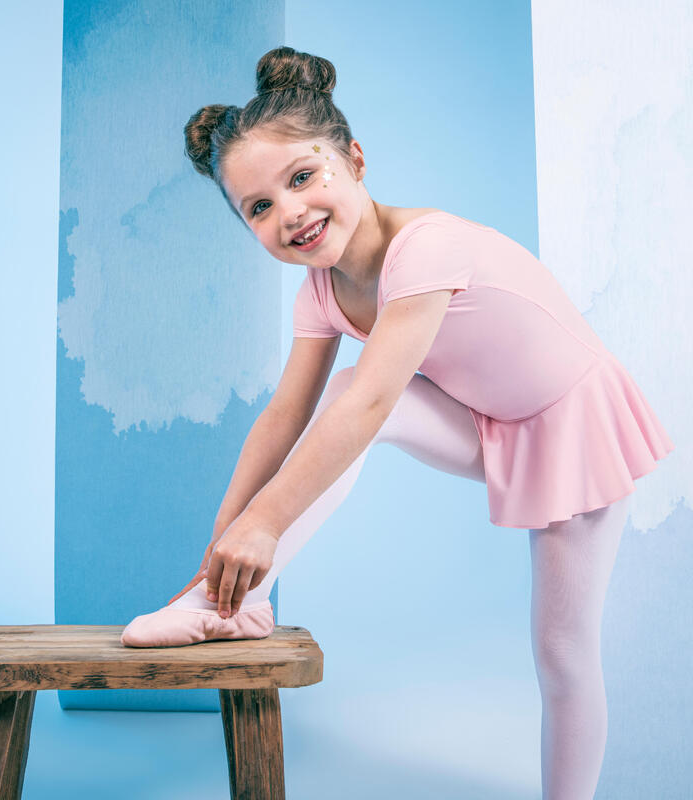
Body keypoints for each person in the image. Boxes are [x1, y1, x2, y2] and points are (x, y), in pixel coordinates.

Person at [120, 46, 675, 798]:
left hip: (573, 423)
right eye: (258, 207)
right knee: (344, 397)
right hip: (486, 424)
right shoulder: (321, 291)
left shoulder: (427, 249)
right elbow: (282, 420)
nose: (291, 213)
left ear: (353, 159)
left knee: (564, 652)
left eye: (303, 178)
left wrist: (263, 526)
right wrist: (219, 552)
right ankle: (228, 604)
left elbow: (373, 402)